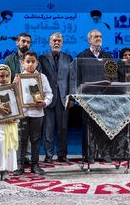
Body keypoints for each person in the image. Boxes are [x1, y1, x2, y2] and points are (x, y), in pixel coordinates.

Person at [74, 29, 113, 163]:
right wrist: (78, 97)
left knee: (105, 126)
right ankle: (89, 155)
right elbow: (77, 78)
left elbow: (113, 77)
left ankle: (105, 154)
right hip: (88, 98)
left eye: (100, 36)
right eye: (96, 36)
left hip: (104, 98)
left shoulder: (108, 56)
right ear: (89, 40)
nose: (98, 38)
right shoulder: (82, 56)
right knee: (88, 127)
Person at [4, 33, 42, 165]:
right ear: (17, 42)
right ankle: (14, 156)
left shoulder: (35, 60)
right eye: (23, 41)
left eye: (28, 42)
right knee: (15, 130)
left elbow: (39, 81)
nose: (26, 44)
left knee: (28, 132)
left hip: (30, 101)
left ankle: (24, 155)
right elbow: (5, 78)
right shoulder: (9, 59)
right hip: (15, 99)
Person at [13, 51, 53, 176]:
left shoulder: (42, 77)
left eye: (32, 62)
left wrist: (45, 103)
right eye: (27, 62)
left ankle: (35, 165)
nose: (30, 64)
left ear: (37, 63)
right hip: (23, 113)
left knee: (35, 139)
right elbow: (13, 96)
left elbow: (49, 94)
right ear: (23, 63)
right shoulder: (18, 78)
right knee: (22, 140)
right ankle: (19, 166)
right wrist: (14, 86)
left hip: (37, 113)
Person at [39, 32, 74, 163]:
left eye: (59, 41)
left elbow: (72, 79)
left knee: (63, 129)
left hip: (64, 98)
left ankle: (62, 154)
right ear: (49, 42)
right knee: (48, 129)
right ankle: (48, 155)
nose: (56, 43)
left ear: (62, 42)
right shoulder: (42, 58)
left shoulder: (68, 58)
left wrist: (72, 98)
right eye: (54, 40)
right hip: (48, 99)